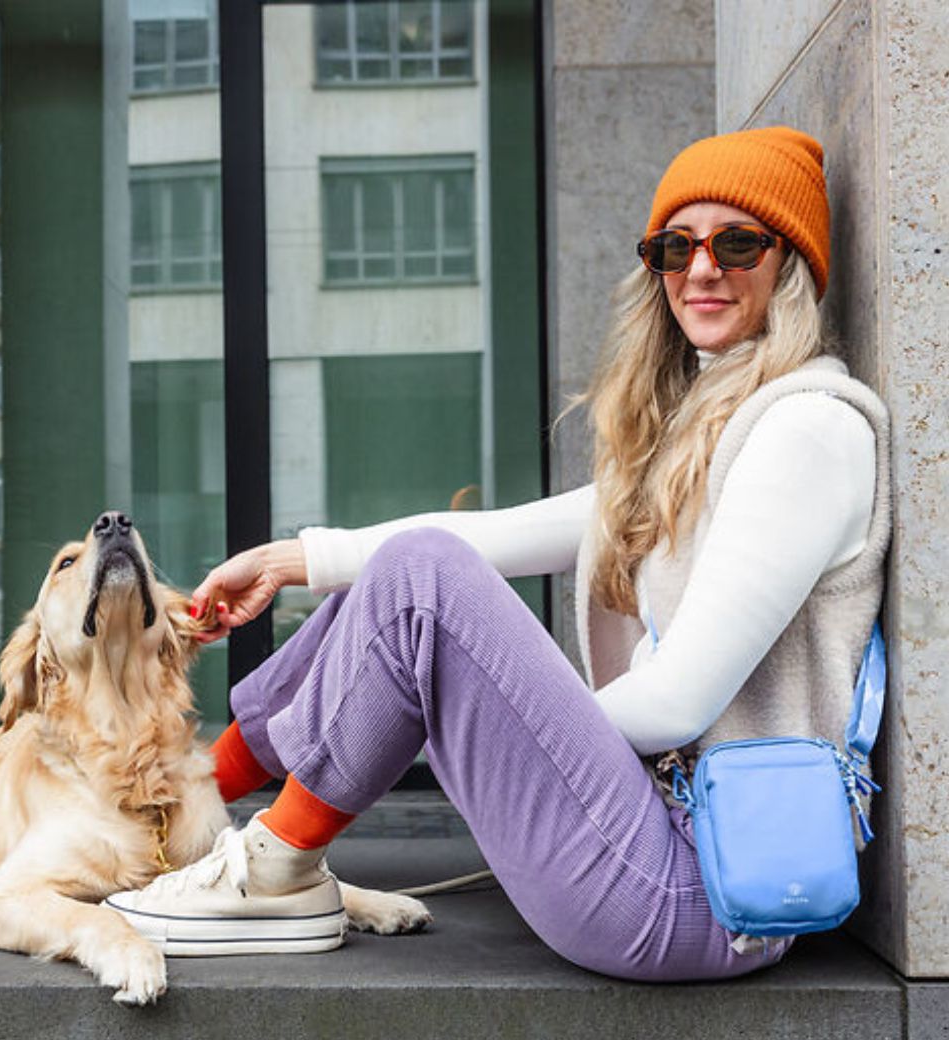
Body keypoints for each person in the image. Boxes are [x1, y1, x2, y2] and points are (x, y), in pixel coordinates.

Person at [108, 127, 890, 981]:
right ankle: (178, 815)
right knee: (412, 575)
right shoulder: (710, 429)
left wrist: (513, 712)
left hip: (700, 895)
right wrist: (298, 559)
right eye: (676, 245)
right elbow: (510, 531)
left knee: (424, 586)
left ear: (793, 267)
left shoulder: (808, 431)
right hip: (649, 847)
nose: (701, 268)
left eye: (738, 243)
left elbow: (676, 706)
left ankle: (272, 872)